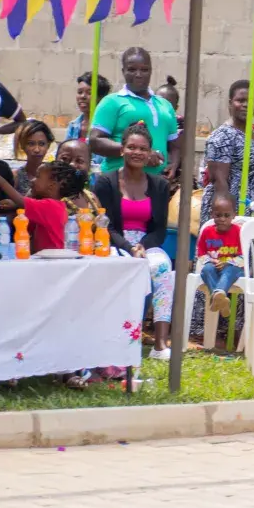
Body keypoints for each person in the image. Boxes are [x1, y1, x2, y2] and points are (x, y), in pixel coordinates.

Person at [95, 122, 177, 361]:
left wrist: (142, 245)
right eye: (131, 147)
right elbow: (105, 225)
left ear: (150, 153)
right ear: (122, 150)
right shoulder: (106, 182)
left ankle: (159, 344)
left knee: (162, 267)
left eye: (142, 149)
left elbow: (159, 229)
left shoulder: (160, 185)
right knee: (116, 265)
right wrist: (129, 247)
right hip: (114, 243)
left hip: (146, 244)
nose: (137, 152)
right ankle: (114, 336)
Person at [0, 160, 80, 253]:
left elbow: (22, 201)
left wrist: (0, 180)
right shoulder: (47, 207)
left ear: (52, 185)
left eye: (38, 177)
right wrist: (15, 206)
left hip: (52, 262)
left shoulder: (52, 207)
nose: (32, 180)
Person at [89, 47, 180, 180]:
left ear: (151, 71)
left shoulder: (165, 105)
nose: (138, 74)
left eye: (144, 70)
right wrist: (140, 153)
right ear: (123, 71)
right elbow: (95, 141)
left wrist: (173, 164)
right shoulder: (112, 102)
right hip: (119, 181)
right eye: (132, 69)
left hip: (156, 183)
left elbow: (174, 145)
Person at [201, 79, 254, 226]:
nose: (246, 105)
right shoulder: (222, 136)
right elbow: (220, 183)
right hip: (231, 211)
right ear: (230, 103)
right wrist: (228, 219)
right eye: (240, 100)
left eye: (251, 101)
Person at [196, 193, 244, 318]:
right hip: (214, 266)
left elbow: (243, 257)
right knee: (206, 270)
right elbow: (200, 252)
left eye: (227, 215)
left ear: (234, 215)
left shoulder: (239, 232)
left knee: (230, 270)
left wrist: (228, 262)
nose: (222, 219)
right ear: (212, 215)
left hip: (233, 268)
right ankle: (221, 299)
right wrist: (211, 261)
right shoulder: (207, 231)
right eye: (218, 215)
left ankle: (217, 294)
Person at [64, 71, 110, 171]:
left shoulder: (107, 127)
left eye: (89, 93)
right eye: (80, 92)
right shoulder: (73, 126)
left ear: (101, 98)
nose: (82, 96)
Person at [54, 140, 101, 217]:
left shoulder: (92, 200)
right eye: (65, 159)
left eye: (79, 161)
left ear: (88, 167)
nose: (72, 165)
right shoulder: (44, 195)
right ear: (55, 161)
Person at [12, 119, 55, 195]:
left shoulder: (54, 176)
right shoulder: (15, 177)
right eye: (31, 144)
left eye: (42, 144)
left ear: (48, 145)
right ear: (22, 145)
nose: (37, 150)